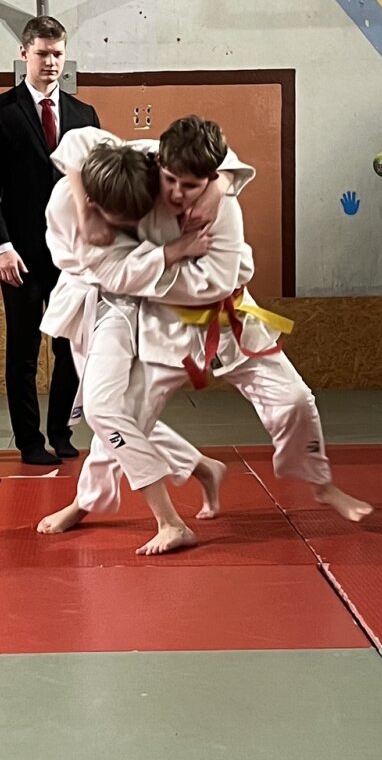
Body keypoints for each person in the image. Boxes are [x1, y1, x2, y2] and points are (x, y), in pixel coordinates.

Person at [38, 117, 372, 550]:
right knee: (121, 419)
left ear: (212, 178)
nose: (177, 193)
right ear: (158, 162)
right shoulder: (143, 168)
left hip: (230, 319)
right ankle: (85, 503)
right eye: (171, 180)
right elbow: (79, 142)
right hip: (165, 325)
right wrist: (163, 250)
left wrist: (217, 192)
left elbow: (216, 281)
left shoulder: (222, 207)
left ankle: (322, 484)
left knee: (294, 400)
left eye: (193, 186)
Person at [38, 132, 238, 554]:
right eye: (117, 220)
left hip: (126, 307)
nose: (126, 228)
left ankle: (167, 520)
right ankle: (200, 466)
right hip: (92, 295)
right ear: (92, 200)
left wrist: (219, 185)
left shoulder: (140, 162)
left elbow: (205, 148)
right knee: (116, 413)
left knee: (104, 409)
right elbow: (114, 273)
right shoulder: (70, 210)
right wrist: (175, 248)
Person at [0, 15, 101, 466]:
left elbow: (96, 188)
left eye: (58, 54)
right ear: (24, 54)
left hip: (73, 257)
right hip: (20, 254)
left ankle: (61, 432)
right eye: (42, 53)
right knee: (24, 349)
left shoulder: (85, 115)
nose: (51, 62)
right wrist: (0, 247)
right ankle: (29, 441)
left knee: (70, 347)